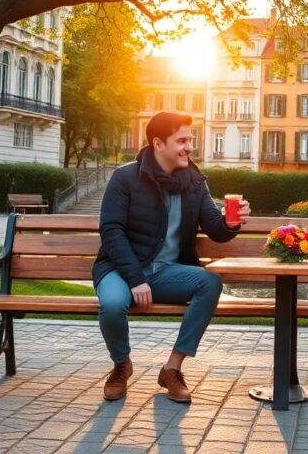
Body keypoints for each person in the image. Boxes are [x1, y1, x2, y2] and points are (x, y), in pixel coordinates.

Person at [93, 111, 250, 403]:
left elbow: (215, 227)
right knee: (113, 304)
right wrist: (136, 278)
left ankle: (172, 369)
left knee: (210, 283)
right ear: (158, 143)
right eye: (181, 140)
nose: (189, 147)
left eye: (190, 140)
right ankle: (121, 365)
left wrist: (232, 223)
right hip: (121, 268)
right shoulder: (126, 177)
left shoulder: (194, 181)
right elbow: (111, 231)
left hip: (167, 272)